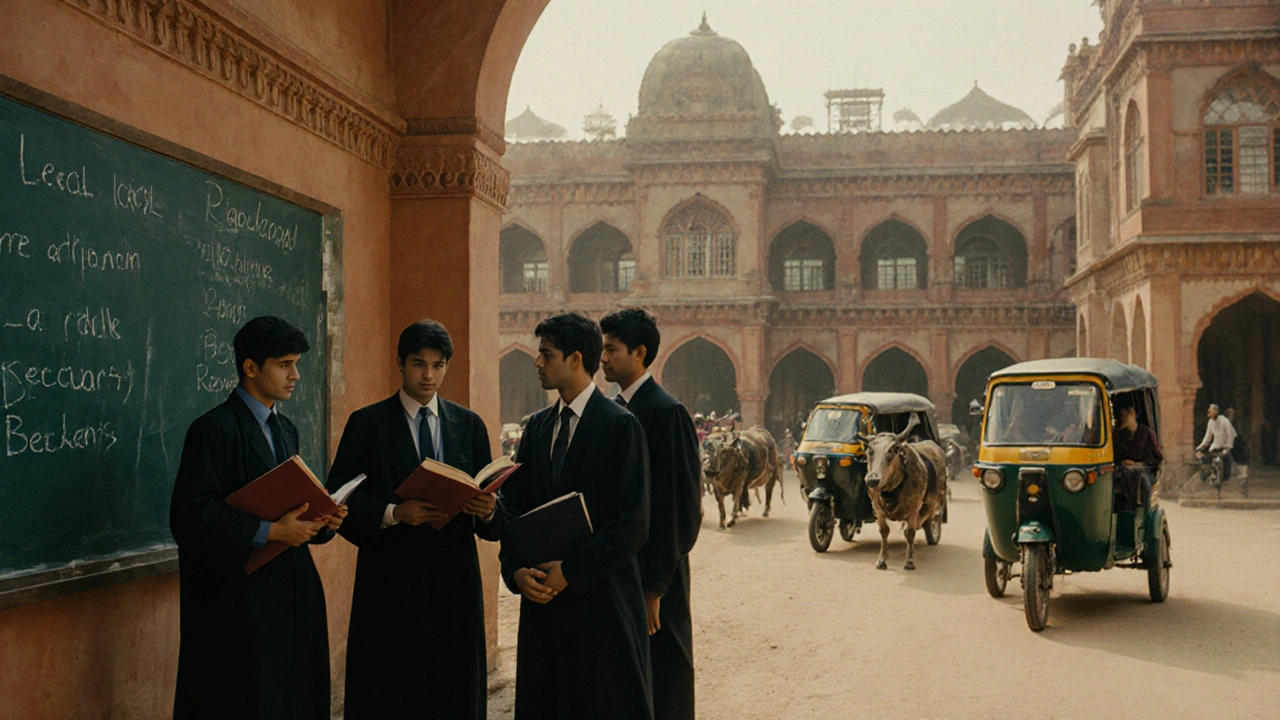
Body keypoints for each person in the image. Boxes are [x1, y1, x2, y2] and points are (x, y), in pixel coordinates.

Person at [169, 316, 345, 720]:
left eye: (296, 363)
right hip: (239, 604)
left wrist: (323, 521)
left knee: (295, 697)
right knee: (248, 701)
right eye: (284, 364)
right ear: (250, 367)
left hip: (292, 596)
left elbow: (292, 508)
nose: (296, 375)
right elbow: (190, 516)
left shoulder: (286, 429)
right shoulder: (213, 430)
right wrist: (267, 530)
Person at [326, 320, 498, 719]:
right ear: (400, 364)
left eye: (438, 366)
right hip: (390, 583)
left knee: (453, 692)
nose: (429, 375)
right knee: (389, 693)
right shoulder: (367, 424)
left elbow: (491, 506)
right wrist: (392, 513)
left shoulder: (468, 425)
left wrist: (489, 510)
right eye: (419, 364)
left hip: (454, 583)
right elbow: (340, 499)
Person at [500, 313, 653, 720]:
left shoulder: (621, 426)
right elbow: (516, 508)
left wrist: (572, 570)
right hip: (544, 607)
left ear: (575, 359)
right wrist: (516, 571)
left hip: (600, 604)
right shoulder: (537, 428)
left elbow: (632, 522)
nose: (537, 363)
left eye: (546, 355)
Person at [601, 308, 702, 720]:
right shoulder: (614, 410)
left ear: (639, 352)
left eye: (611, 350)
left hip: (659, 572)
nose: (602, 358)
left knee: (666, 672)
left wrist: (655, 588)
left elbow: (680, 510)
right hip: (622, 568)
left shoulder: (665, 412)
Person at [1112, 405, 1164, 510]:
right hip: (1124, 470)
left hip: (1144, 470)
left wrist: (1141, 464)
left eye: (1125, 416)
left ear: (1133, 414)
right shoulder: (1118, 436)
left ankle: (1137, 508)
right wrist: (1123, 462)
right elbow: (1115, 457)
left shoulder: (1146, 433)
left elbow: (1157, 457)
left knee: (1139, 477)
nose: (1122, 419)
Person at [1196, 403, 1236, 484]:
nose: (1208, 413)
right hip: (1214, 447)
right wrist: (1201, 447)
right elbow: (1207, 437)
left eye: (1210, 411)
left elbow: (1231, 435)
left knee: (1225, 467)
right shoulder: (1210, 422)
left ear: (1215, 411)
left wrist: (1227, 447)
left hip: (1224, 448)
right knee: (1204, 460)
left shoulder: (1224, 421)